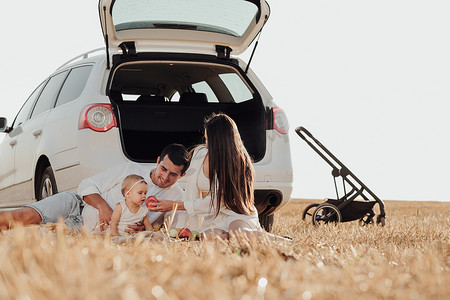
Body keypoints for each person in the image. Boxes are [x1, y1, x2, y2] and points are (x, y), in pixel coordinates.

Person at [149, 113, 290, 242]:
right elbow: (190, 186)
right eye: (206, 138)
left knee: (238, 235)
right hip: (214, 217)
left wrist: (174, 205)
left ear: (220, 142)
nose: (206, 144)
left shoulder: (239, 163)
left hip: (236, 213)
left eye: (209, 139)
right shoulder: (200, 153)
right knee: (212, 239)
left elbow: (216, 203)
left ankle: (282, 241)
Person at [0, 143, 190, 233]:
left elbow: (172, 233)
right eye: (163, 169)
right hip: (75, 204)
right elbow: (87, 185)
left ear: (182, 176)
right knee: (20, 217)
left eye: (173, 174)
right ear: (158, 161)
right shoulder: (130, 169)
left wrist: (143, 229)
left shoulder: (177, 197)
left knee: (35, 237)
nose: (165, 177)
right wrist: (103, 207)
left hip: (85, 228)